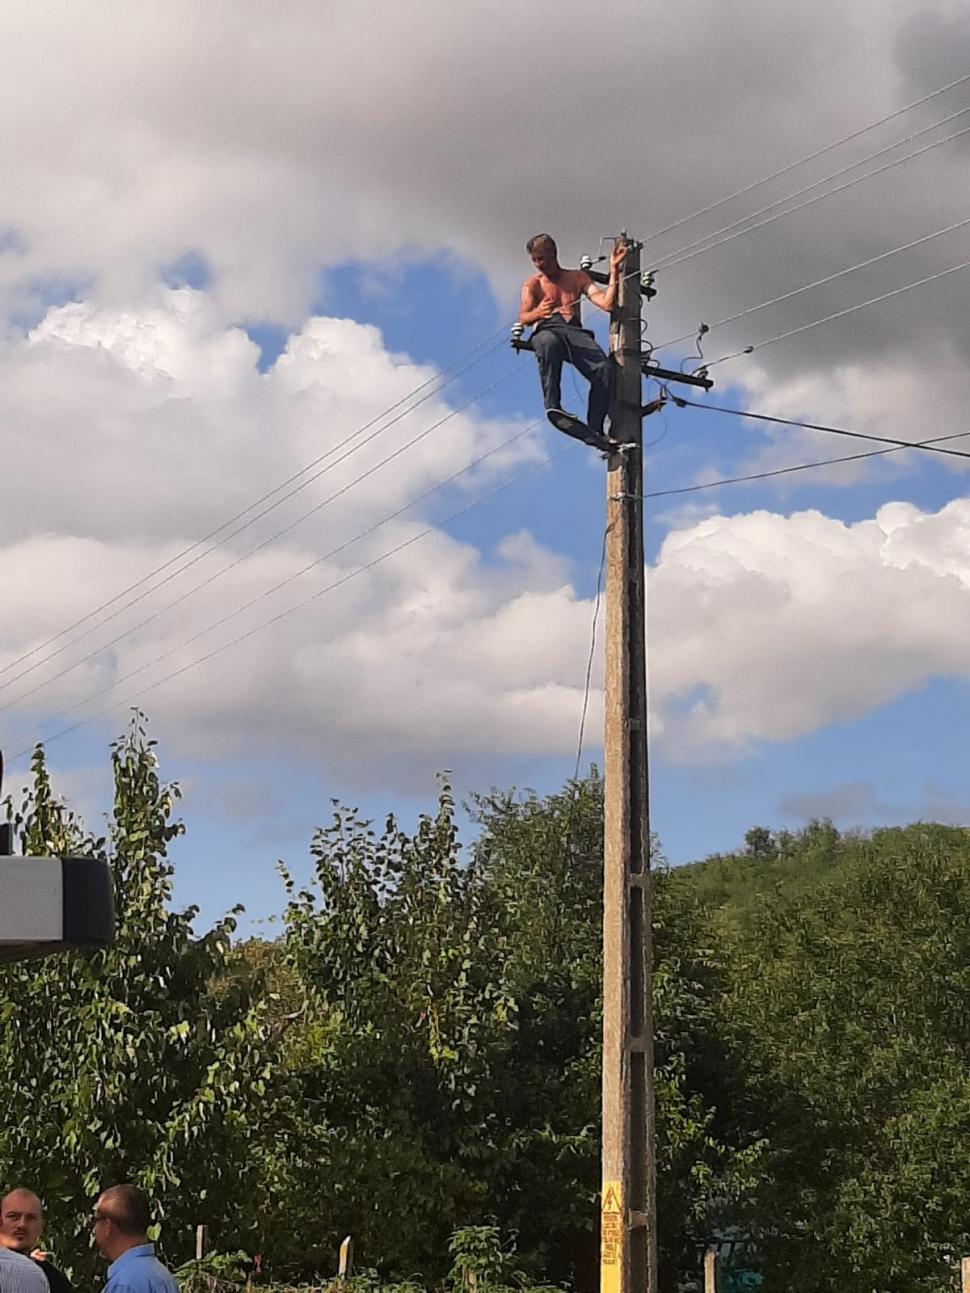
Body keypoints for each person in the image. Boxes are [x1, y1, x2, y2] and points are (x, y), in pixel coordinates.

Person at [519, 233, 628, 455]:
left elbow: (606, 304)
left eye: (542, 259)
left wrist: (614, 270)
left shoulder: (577, 278)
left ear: (553, 253)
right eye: (535, 260)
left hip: (573, 330)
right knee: (548, 343)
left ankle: (595, 429)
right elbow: (523, 316)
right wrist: (538, 312)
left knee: (605, 369)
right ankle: (553, 406)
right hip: (547, 328)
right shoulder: (534, 284)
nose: (539, 265)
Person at [91, 1187, 177, 1293]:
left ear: (108, 1226)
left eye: (96, 1219)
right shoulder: (162, 1275)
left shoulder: (124, 1285)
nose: (94, 1230)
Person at [0, 1190, 72, 1293]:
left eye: (31, 1218)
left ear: (41, 1227)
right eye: (13, 1217)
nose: (22, 1224)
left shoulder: (55, 1280)